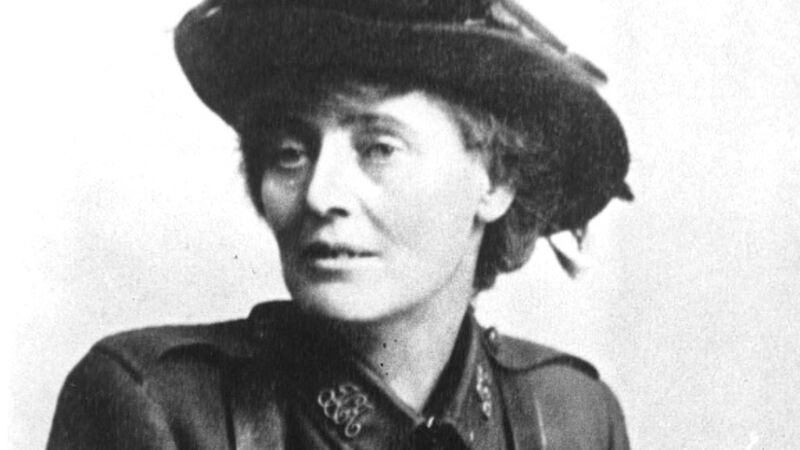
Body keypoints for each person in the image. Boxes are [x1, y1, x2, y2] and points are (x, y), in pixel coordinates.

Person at [47, 0, 633, 448]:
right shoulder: (160, 408)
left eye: (379, 148)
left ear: (496, 180)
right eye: (289, 153)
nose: (319, 194)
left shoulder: (572, 418)